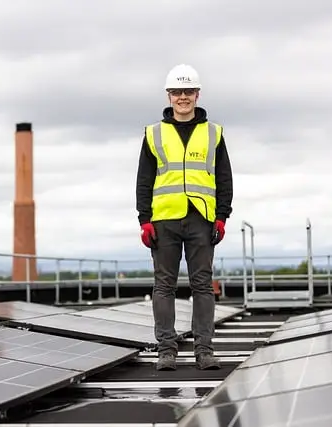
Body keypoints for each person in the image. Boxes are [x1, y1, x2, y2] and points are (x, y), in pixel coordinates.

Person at [135, 64, 234, 371]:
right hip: (164, 221)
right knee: (163, 286)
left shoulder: (213, 133)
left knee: (202, 285)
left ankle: (204, 351)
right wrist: (144, 220)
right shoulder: (154, 134)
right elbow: (144, 179)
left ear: (197, 94)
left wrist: (222, 217)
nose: (182, 97)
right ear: (169, 96)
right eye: (177, 92)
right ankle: (167, 350)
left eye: (188, 91)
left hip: (202, 220)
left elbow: (224, 177)